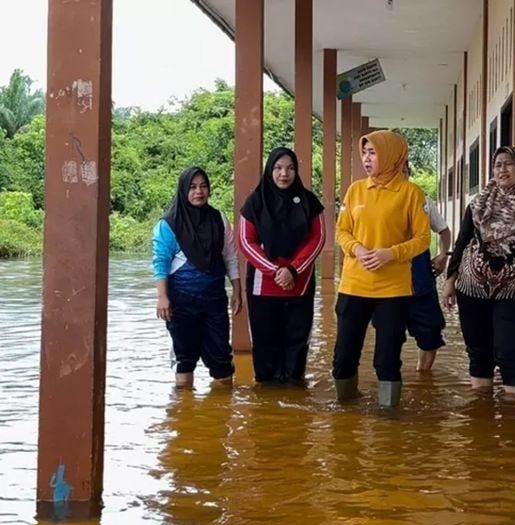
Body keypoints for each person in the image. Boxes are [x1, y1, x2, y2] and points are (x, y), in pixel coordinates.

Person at [443, 146, 515, 395]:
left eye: (508, 164)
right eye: (497, 165)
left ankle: (514, 423)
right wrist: (450, 280)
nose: (502, 169)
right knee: (478, 352)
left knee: (509, 352)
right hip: (472, 289)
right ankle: (482, 419)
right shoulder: (478, 205)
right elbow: (461, 243)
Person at [333, 130, 430, 407]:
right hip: (354, 284)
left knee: (387, 358)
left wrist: (392, 254)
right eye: (364, 152)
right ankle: (345, 414)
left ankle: (389, 419)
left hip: (393, 289)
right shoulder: (355, 190)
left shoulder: (410, 193)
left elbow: (423, 239)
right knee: (344, 356)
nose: (366, 158)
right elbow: (342, 231)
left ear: (390, 155)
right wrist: (357, 248)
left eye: (373, 152)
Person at [238, 147, 325, 385]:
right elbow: (246, 242)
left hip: (300, 284)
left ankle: (294, 398)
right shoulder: (255, 202)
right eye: (278, 168)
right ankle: (266, 406)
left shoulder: (309, 202)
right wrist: (275, 271)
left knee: (297, 344)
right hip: (263, 287)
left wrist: (293, 270)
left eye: (290, 168)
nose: (284, 174)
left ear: (296, 171)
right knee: (265, 344)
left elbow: (317, 239)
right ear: (270, 170)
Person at [153, 166, 242, 388]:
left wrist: (237, 290)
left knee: (222, 360)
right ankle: (185, 417)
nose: (198, 191)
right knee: (185, 360)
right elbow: (160, 263)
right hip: (181, 304)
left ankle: (220, 416)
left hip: (215, 301)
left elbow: (230, 256)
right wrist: (162, 297)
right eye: (192, 187)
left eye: (203, 186)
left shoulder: (219, 218)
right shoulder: (168, 225)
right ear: (183, 191)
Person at [403, 161, 451, 371]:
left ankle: (423, 376)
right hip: (387, 285)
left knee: (430, 331)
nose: (399, 174)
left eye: (403, 170)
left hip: (421, 280)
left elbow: (444, 231)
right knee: (388, 335)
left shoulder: (422, 201)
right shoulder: (373, 201)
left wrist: (442, 256)